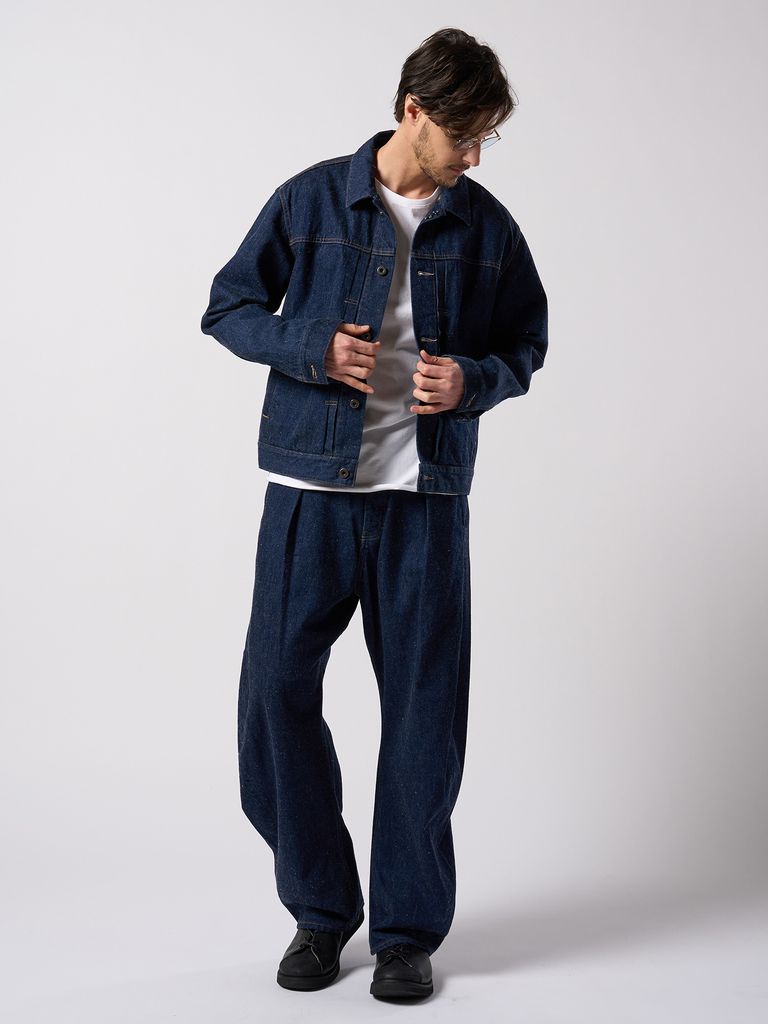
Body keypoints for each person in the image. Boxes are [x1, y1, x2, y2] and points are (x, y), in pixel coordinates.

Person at [200, 26, 548, 1002]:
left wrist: (472, 379)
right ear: (413, 112)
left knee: (424, 714)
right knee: (275, 694)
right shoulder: (311, 199)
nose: (474, 157)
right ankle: (321, 911)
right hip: (310, 496)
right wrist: (312, 346)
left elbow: (527, 341)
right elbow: (228, 307)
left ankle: (404, 934)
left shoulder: (488, 229)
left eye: (486, 139)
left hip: (423, 503)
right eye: (464, 136)